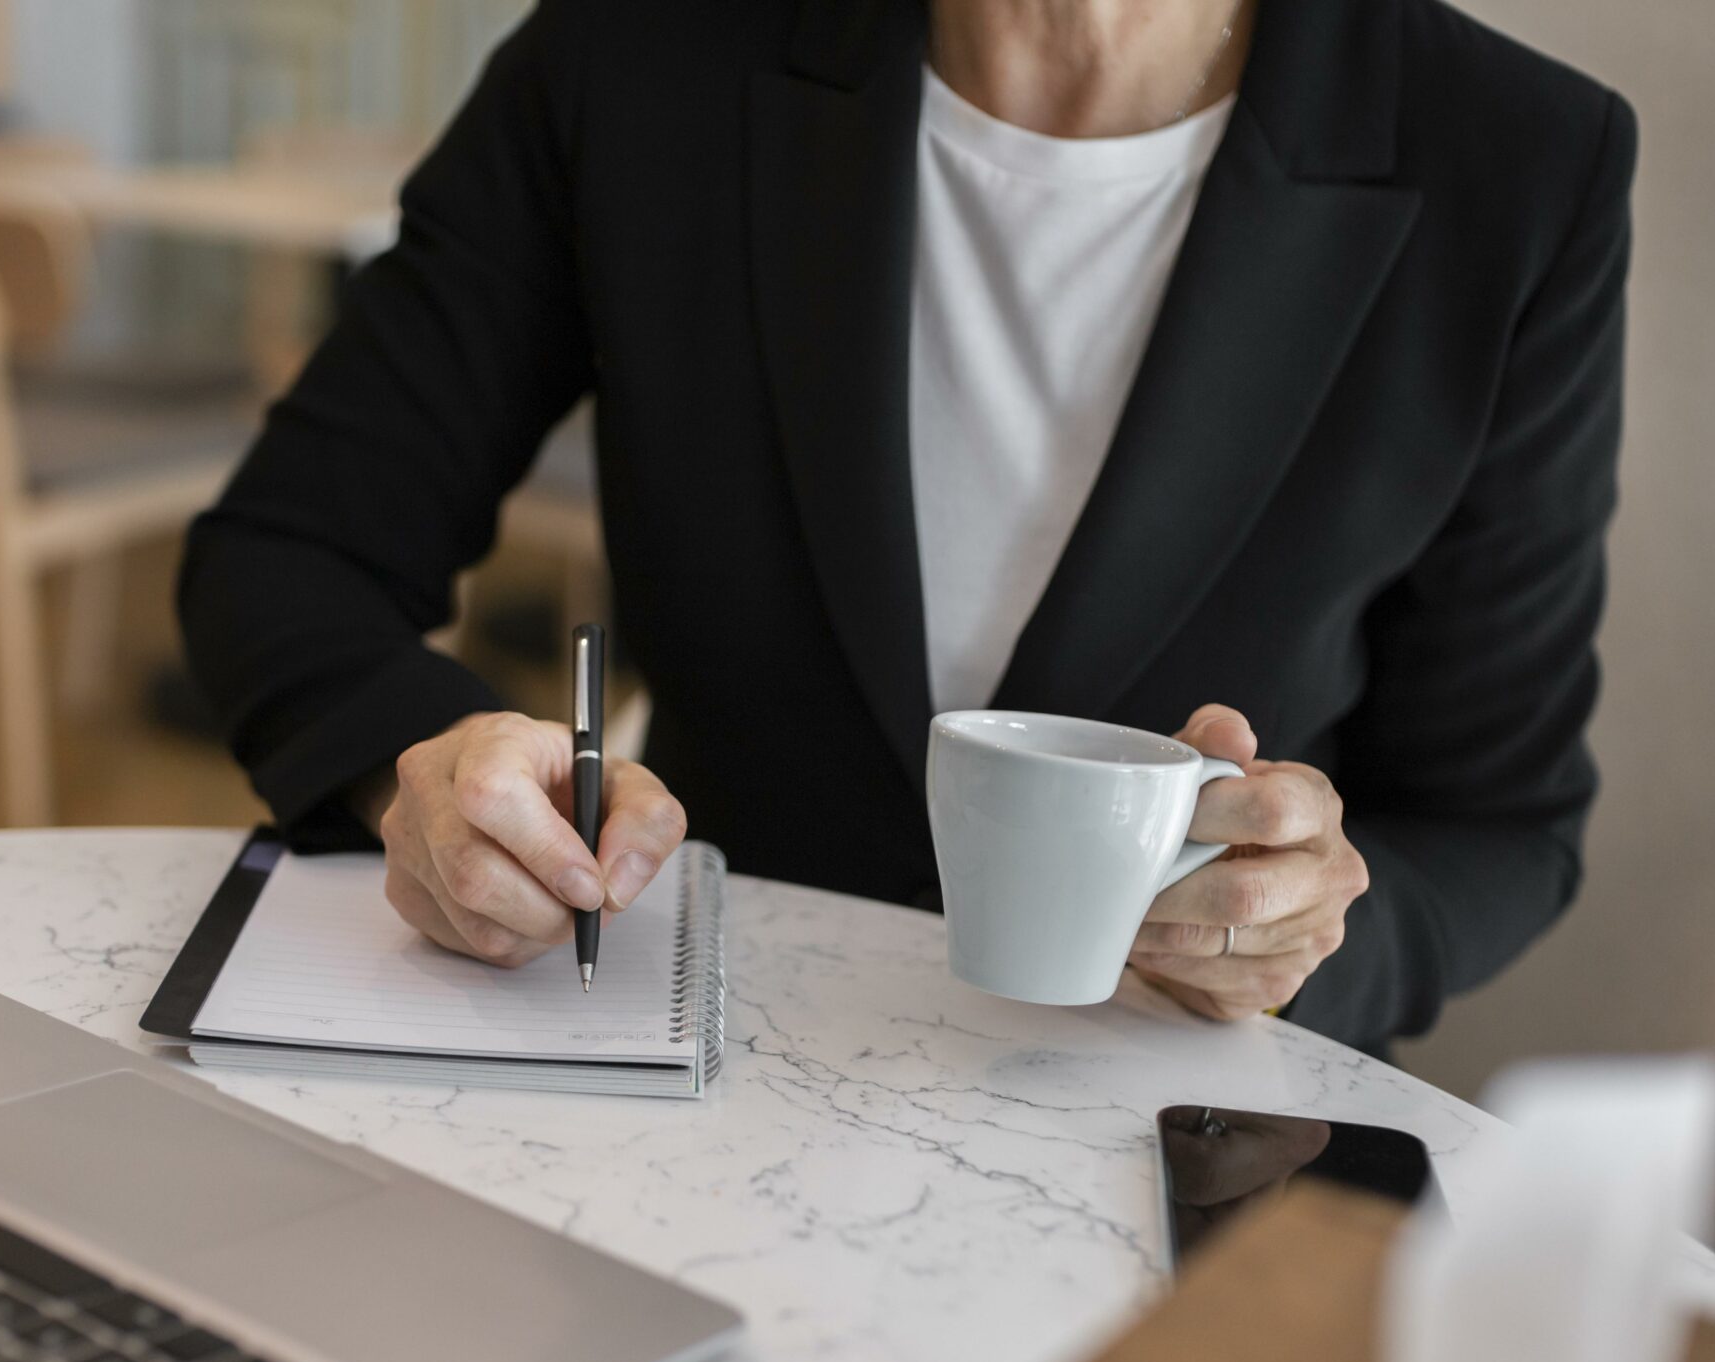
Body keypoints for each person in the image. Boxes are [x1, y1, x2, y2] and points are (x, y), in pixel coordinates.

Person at [179, 0, 1633, 1058]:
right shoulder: (634, 59)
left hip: (1178, 1149)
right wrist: (419, 772)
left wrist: (1312, 933)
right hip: (700, 1081)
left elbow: (1500, 823)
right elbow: (290, 549)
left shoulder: (1519, 164)